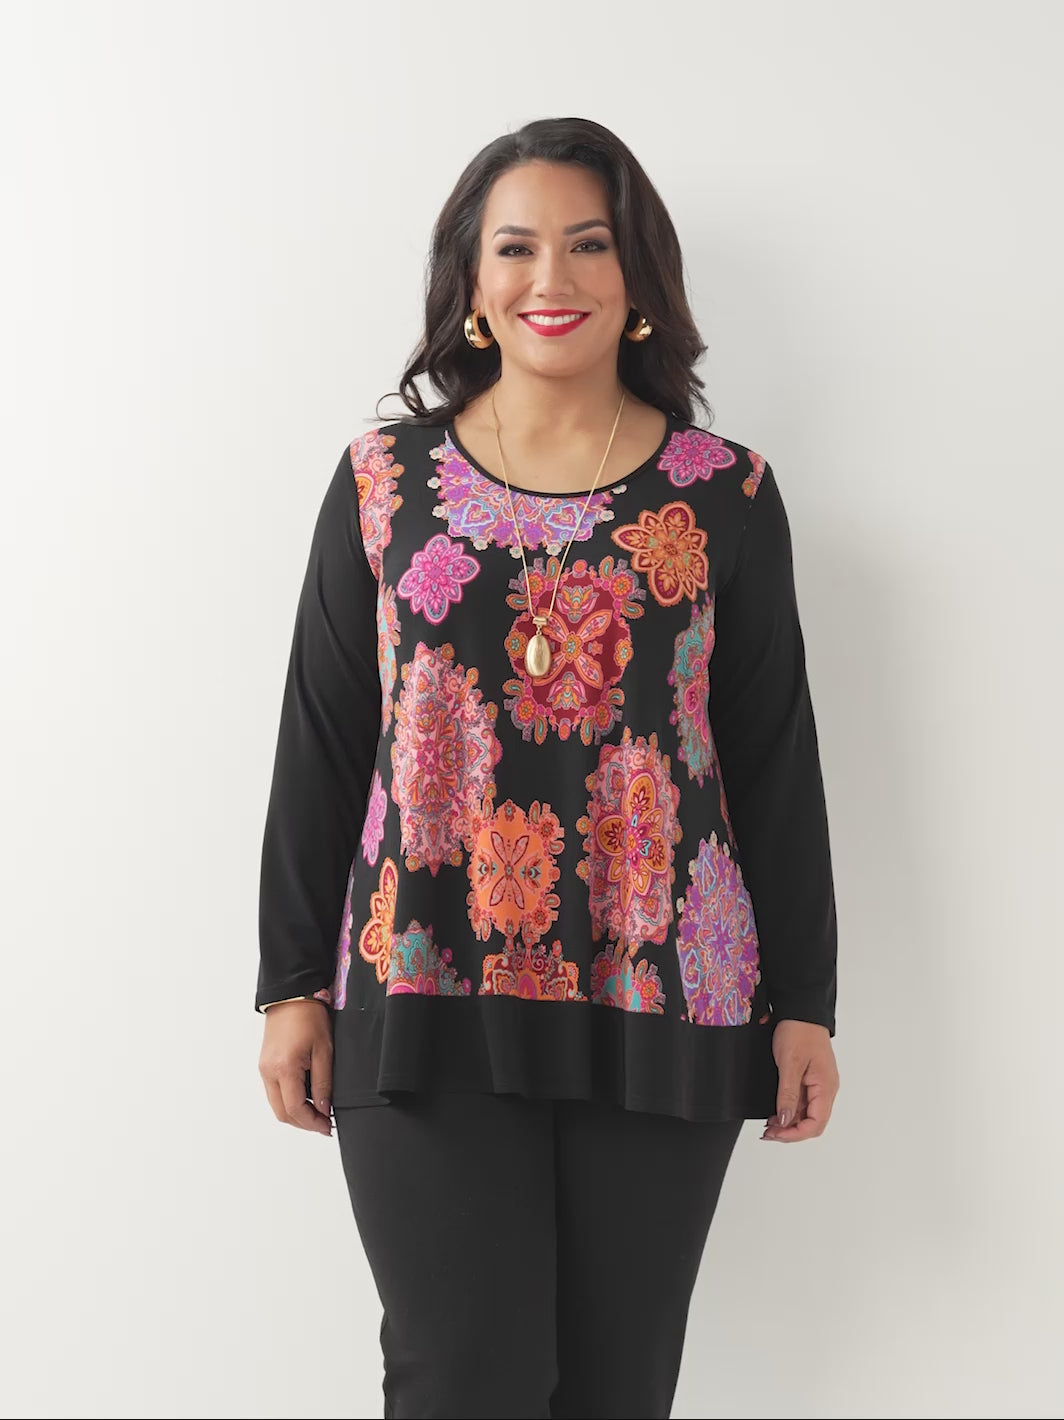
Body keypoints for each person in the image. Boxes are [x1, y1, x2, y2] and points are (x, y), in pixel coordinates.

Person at [255, 116, 840, 1420]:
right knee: (465, 1382)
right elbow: (325, 736)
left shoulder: (726, 495)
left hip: (667, 991)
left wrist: (806, 1001)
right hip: (421, 985)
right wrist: (291, 982)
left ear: (639, 278)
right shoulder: (384, 483)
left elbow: (770, 755)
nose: (552, 279)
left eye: (589, 245)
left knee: (618, 1392)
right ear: (471, 282)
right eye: (516, 248)